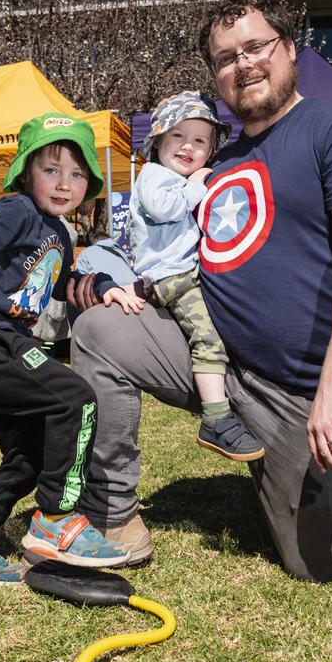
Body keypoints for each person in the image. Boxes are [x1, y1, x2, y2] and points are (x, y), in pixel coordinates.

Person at [68, 0, 332, 582]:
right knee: (99, 331)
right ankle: (114, 515)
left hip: (311, 392)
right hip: (220, 367)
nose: (243, 63)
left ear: (289, 51)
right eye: (226, 57)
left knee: (320, 563)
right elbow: (154, 243)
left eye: (256, 46)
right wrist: (105, 281)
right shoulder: (208, 162)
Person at [0, 113, 143, 585]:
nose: (65, 183)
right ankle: (57, 522)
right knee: (76, 397)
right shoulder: (15, 211)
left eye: (78, 173)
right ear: (26, 172)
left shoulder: (59, 232)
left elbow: (63, 283)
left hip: (5, 343)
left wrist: (102, 285)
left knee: (32, 455)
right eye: (51, 170)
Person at [128, 90, 264, 461]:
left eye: (200, 140)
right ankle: (216, 418)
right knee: (208, 341)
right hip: (175, 277)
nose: (188, 146)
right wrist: (195, 186)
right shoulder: (154, 177)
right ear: (156, 142)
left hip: (187, 271)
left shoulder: (172, 177)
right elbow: (165, 208)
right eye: (178, 136)